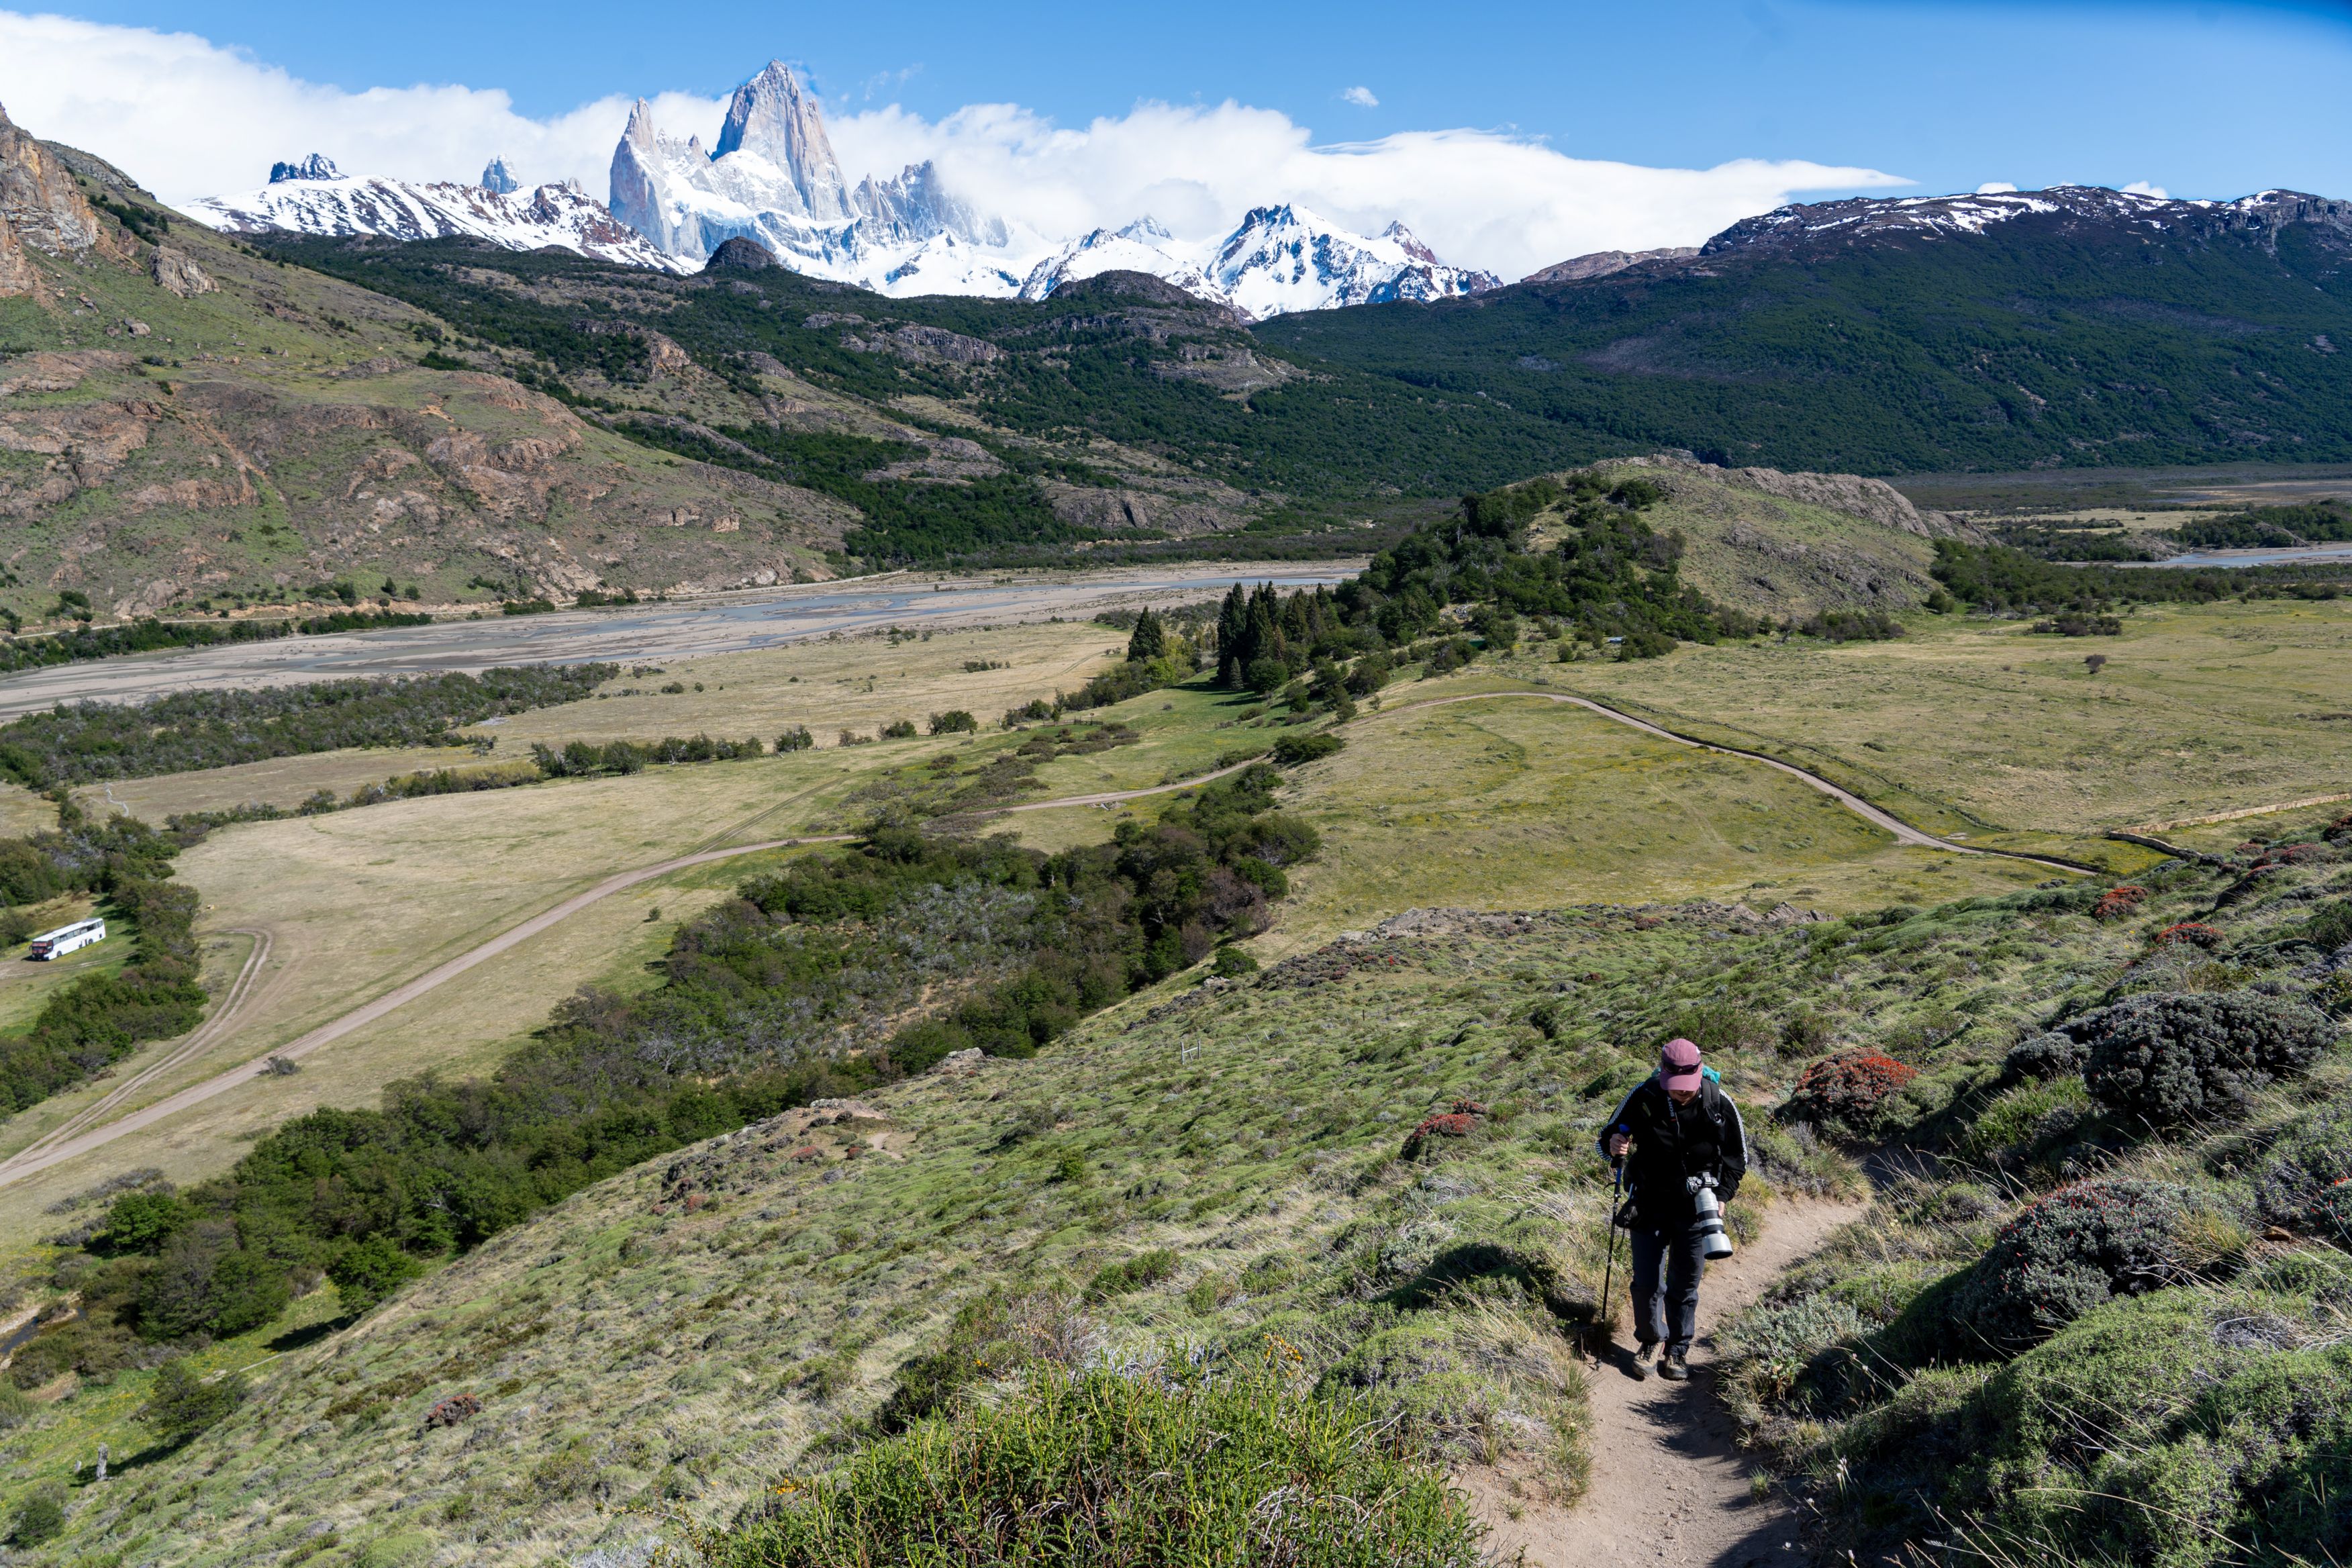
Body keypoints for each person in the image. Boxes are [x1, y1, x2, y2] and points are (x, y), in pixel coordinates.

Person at [1597, 1037, 1748, 1381]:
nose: (1682, 1093)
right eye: (1676, 1087)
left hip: (1697, 1208)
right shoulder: (1644, 1095)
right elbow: (1604, 1140)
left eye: (1688, 1087)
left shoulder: (1718, 1101)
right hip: (1648, 1202)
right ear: (1663, 1075)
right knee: (1647, 1283)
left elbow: (1738, 1159)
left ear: (1699, 1074)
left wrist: (1722, 1196)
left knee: (1684, 1284)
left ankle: (1678, 1350)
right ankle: (1651, 1340)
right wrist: (1613, 1145)